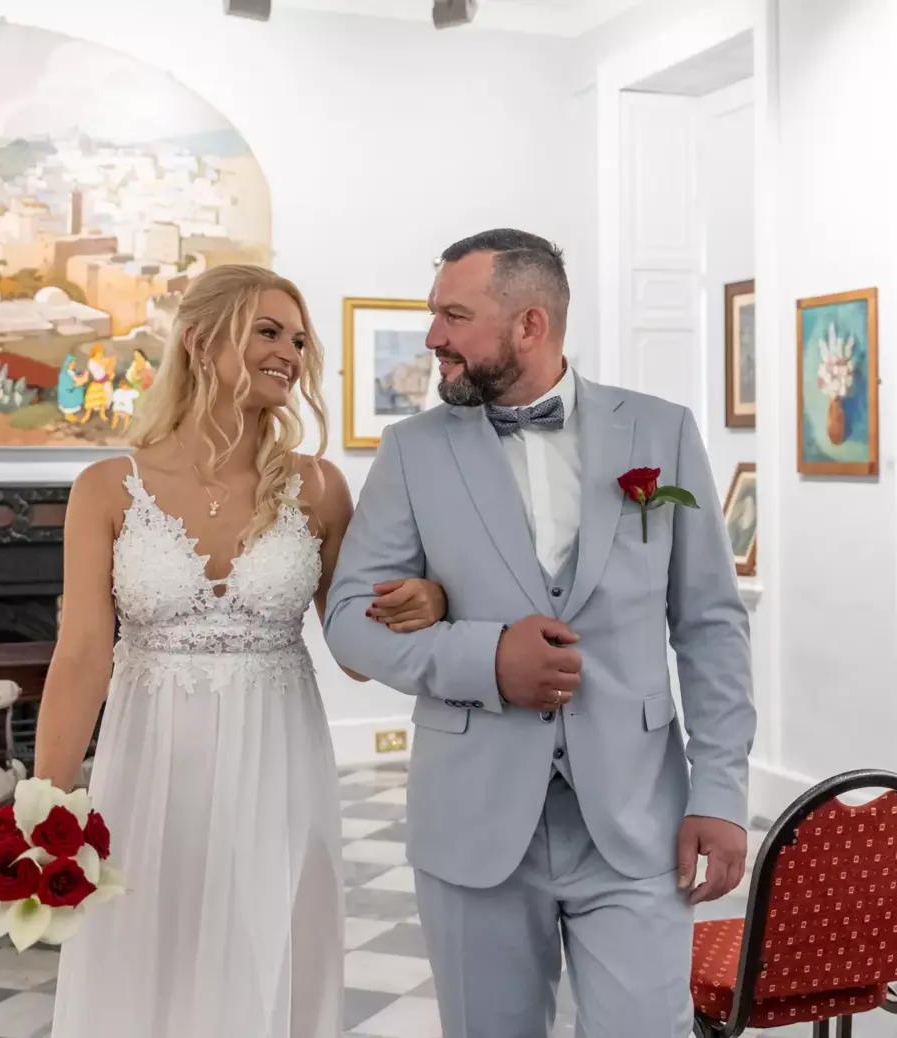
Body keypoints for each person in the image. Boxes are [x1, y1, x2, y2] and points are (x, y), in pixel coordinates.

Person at [324, 229, 756, 1037]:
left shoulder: (660, 433)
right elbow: (349, 624)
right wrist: (488, 659)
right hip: (472, 825)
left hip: (637, 821)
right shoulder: (412, 452)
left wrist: (722, 793)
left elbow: (710, 628)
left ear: (530, 325)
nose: (433, 338)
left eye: (454, 316)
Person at [33, 264, 447, 1037]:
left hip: (279, 761)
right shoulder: (106, 488)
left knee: (268, 948)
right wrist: (44, 803)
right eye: (267, 331)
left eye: (298, 338)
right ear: (198, 339)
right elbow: (83, 655)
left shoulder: (320, 489)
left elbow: (353, 650)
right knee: (144, 951)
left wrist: (429, 601)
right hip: (151, 765)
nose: (290, 351)